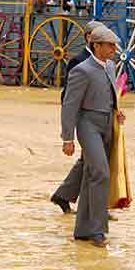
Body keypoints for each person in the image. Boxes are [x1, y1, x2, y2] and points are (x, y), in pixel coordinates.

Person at [60, 25, 124, 248]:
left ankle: (82, 231)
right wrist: (67, 138)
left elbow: (112, 91)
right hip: (87, 124)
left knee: (91, 176)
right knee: (101, 173)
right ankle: (97, 230)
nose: (114, 49)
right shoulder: (82, 70)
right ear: (96, 45)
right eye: (109, 46)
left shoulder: (111, 67)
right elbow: (69, 105)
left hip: (107, 123)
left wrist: (117, 110)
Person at [51, 22, 99, 213]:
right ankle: (93, 206)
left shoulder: (104, 61)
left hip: (99, 117)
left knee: (90, 160)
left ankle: (64, 196)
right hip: (85, 118)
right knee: (94, 161)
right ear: (88, 37)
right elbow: (69, 96)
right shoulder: (79, 60)